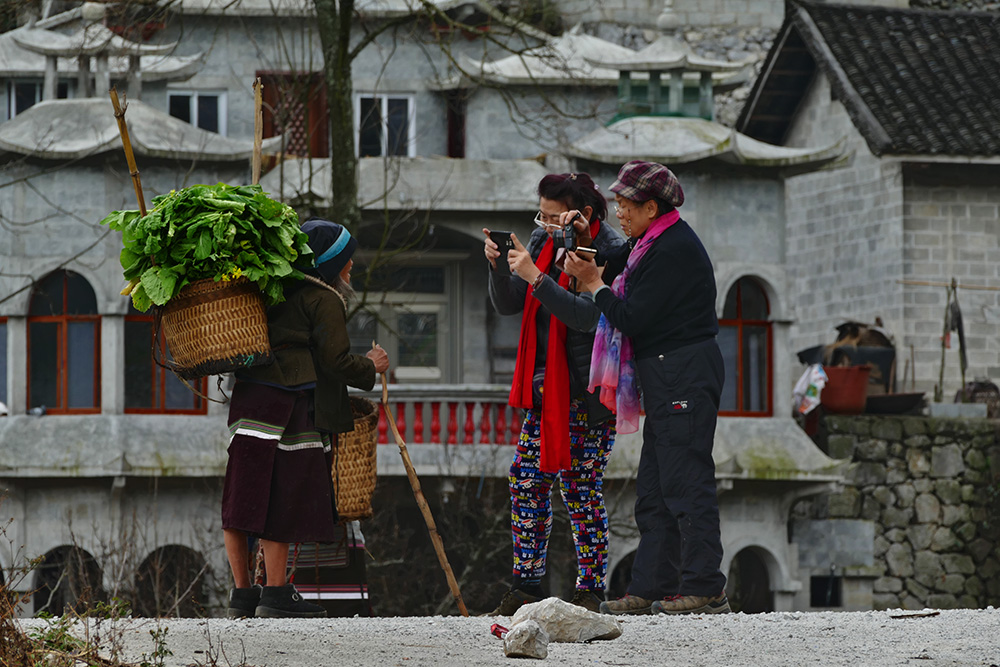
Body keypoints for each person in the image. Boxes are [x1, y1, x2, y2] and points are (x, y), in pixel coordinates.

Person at [563, 160, 731, 616]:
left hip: (683, 371)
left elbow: (630, 316)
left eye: (625, 205)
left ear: (651, 206)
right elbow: (613, 258)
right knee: (655, 487)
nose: (620, 213)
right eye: (615, 204)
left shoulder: (672, 249)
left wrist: (594, 286)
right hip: (666, 373)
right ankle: (650, 587)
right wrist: (587, 236)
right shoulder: (649, 242)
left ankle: (705, 587)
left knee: (686, 480)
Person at [221, 218, 389, 618]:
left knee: (241, 495)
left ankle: (243, 594)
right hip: (291, 405)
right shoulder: (324, 298)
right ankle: (276, 593)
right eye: (347, 262)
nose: (351, 269)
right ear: (331, 264)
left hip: (249, 401)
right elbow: (335, 360)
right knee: (282, 494)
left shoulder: (267, 289)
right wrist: (371, 366)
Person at [483, 172, 625, 615]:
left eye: (551, 215)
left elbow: (587, 316)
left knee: (582, 488)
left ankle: (591, 588)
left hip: (588, 391)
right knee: (525, 481)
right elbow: (509, 303)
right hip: (544, 390)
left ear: (579, 212)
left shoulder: (611, 251)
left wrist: (535, 277)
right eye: (539, 215)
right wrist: (498, 265)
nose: (543, 224)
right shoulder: (541, 238)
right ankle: (526, 584)